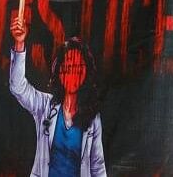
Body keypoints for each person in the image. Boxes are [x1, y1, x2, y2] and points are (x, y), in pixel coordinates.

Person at [8, 16, 106, 177]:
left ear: (86, 72)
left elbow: (97, 167)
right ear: (58, 71)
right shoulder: (45, 106)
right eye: (67, 67)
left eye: (78, 68)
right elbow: (17, 87)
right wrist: (19, 43)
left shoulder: (92, 118)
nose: (72, 74)